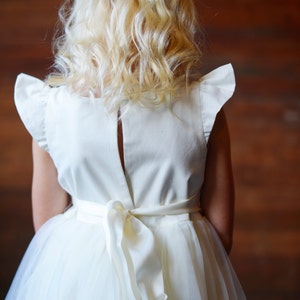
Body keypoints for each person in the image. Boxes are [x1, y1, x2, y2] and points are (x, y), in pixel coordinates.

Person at [6, 0, 246, 299]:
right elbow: (221, 234)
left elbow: (45, 228)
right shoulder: (204, 106)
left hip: (77, 274)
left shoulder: (51, 110)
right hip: (181, 275)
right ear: (174, 17)